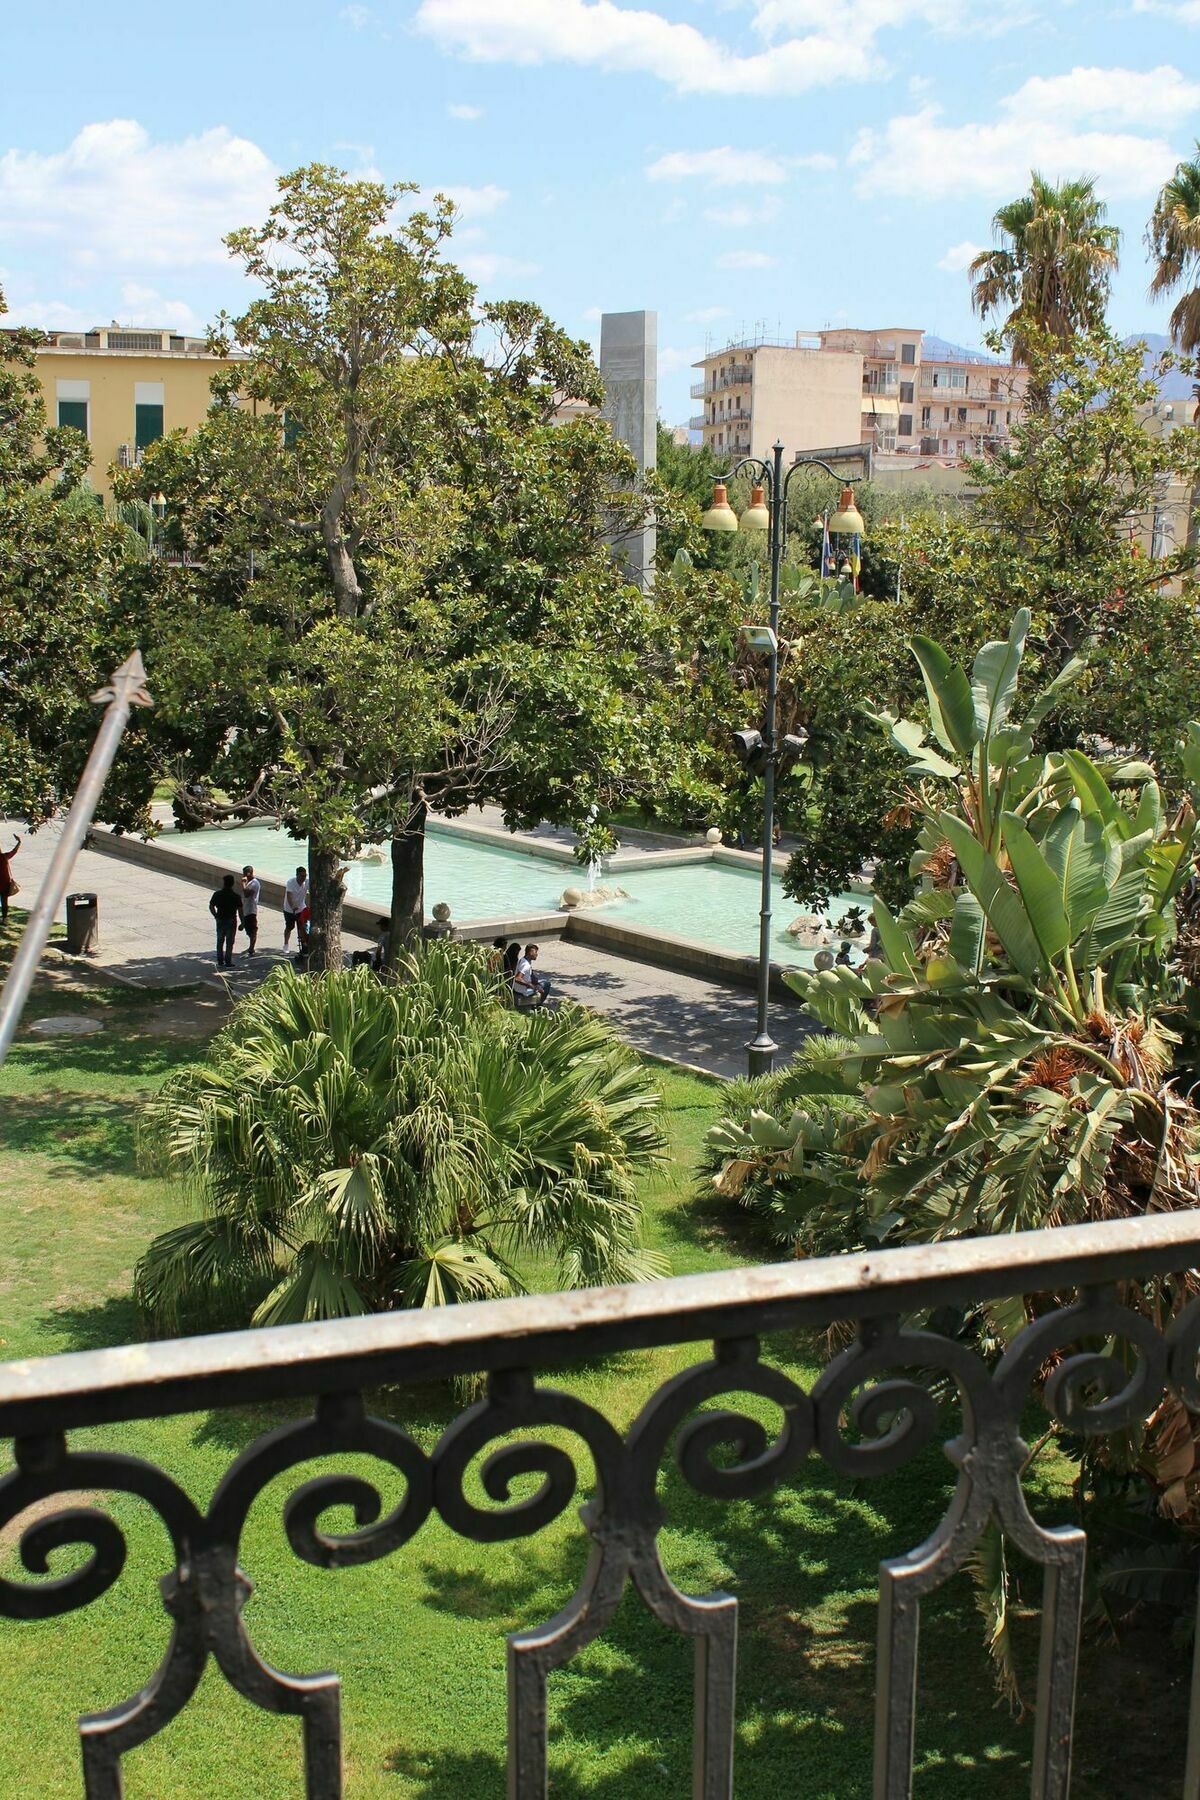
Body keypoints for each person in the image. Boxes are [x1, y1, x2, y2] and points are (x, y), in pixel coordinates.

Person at [209, 874, 244, 969]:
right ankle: (228, 961)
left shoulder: (217, 894)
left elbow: (211, 906)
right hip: (231, 920)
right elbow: (240, 911)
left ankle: (220, 960)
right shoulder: (236, 896)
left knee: (220, 940)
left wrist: (215, 915)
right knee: (230, 941)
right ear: (232, 884)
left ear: (224, 883)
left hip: (220, 919)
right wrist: (243, 922)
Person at [513, 942, 552, 1008]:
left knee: (541, 983)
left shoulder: (523, 960)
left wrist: (533, 979)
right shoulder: (526, 965)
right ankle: (538, 1005)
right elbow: (517, 978)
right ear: (530, 952)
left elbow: (528, 973)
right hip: (524, 991)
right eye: (535, 952)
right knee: (547, 984)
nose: (537, 954)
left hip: (517, 988)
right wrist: (533, 986)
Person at [283, 867, 308, 951]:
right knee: (290, 927)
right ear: (297, 875)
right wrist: (293, 906)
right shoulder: (291, 882)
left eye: (305, 876)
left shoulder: (306, 883)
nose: (303, 878)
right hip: (289, 909)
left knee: (303, 927)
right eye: (301, 876)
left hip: (301, 908)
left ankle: (304, 944)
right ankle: (286, 944)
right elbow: (289, 896)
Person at [240, 866, 261, 957]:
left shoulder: (254, 883)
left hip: (251, 910)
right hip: (246, 909)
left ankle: (251, 948)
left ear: (250, 873)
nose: (244, 875)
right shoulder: (249, 882)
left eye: (245, 873)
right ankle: (251, 946)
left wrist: (243, 883)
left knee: (252, 930)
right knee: (248, 930)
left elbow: (247, 894)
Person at [0, 832, 20, 924]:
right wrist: (19, 842)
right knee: (4, 902)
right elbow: (14, 851)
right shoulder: (4, 856)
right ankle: (4, 919)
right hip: (5, 883)